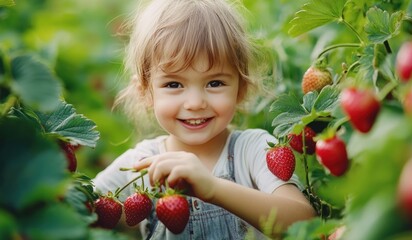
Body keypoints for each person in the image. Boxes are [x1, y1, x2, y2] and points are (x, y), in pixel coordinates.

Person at [93, 0, 316, 239]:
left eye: (215, 83)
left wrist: (213, 188)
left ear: (241, 88)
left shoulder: (251, 150)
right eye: (174, 84)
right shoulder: (140, 164)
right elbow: (78, 210)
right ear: (145, 91)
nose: (196, 102)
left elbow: (303, 224)